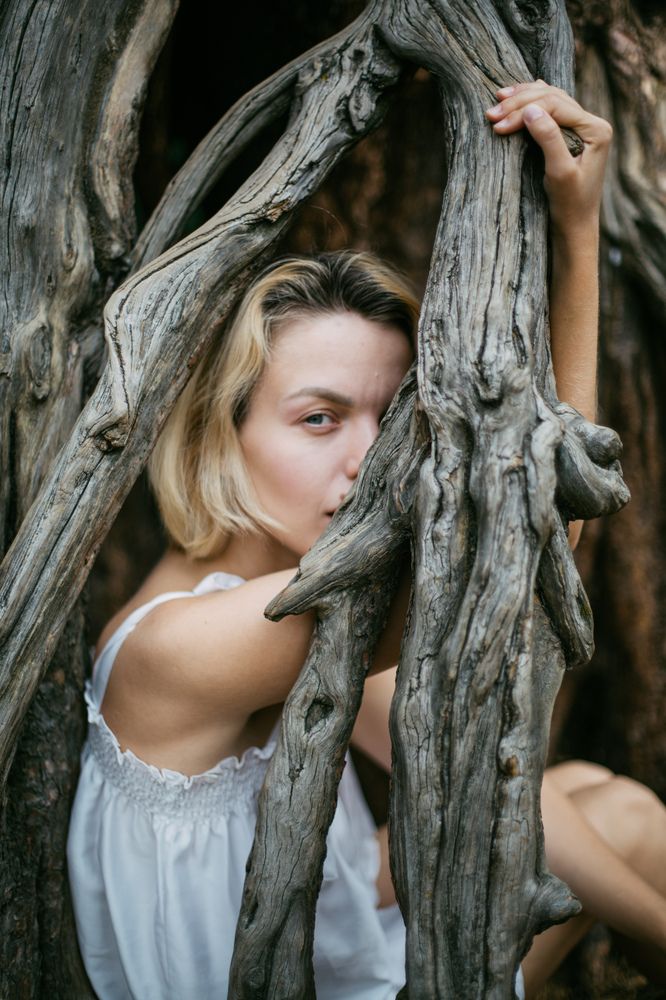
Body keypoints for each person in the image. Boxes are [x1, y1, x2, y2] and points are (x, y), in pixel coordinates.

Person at [67, 82, 666, 999]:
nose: (371, 461)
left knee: (594, 791)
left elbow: (480, 758)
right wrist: (577, 235)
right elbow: (539, 531)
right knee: (618, 829)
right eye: (319, 418)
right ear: (219, 433)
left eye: (390, 422)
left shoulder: (283, 594)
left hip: (317, 940)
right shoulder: (193, 646)